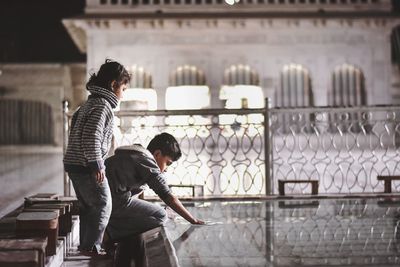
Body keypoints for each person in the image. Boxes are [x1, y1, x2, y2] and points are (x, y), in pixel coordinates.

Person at [63, 59, 131, 256]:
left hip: (75, 163)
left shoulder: (89, 103)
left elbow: (76, 129)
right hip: (87, 166)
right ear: (113, 85)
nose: (123, 94)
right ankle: (92, 247)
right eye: (123, 89)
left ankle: (86, 246)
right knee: (103, 204)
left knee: (88, 207)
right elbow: (91, 135)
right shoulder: (103, 106)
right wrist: (97, 164)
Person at [105, 132, 204, 242]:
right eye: (168, 163)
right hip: (113, 202)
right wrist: (192, 220)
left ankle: (111, 228)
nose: (166, 169)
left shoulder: (135, 154)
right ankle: (111, 233)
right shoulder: (147, 162)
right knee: (160, 215)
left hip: (105, 198)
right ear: (157, 154)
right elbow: (168, 197)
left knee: (158, 212)